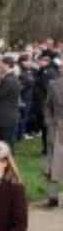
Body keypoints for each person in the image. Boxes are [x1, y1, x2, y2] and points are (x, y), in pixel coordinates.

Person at [45, 69, 63, 207]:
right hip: (57, 127)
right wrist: (49, 121)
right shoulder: (53, 84)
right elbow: (47, 105)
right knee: (53, 161)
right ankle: (52, 196)